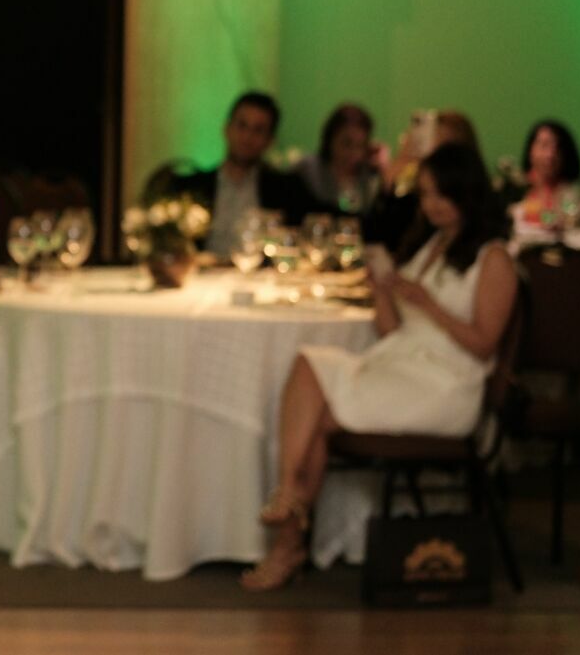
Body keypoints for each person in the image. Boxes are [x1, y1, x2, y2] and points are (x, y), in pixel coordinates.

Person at [242, 143, 518, 591]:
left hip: (449, 384)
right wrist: (382, 293)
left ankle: (287, 535)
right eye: (425, 195)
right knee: (311, 366)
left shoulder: (493, 258)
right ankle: (290, 512)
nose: (431, 206)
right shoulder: (430, 245)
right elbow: (394, 333)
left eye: (441, 195)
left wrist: (427, 303)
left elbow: (485, 345)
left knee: (321, 414)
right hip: (405, 363)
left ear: (466, 193)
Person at [165, 90, 310, 256]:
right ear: (227, 129)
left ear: (270, 141)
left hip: (261, 279)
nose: (247, 137)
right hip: (201, 278)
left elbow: (318, 223)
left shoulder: (286, 189)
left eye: (258, 130)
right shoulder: (190, 187)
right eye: (242, 125)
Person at [366, 108, 481, 251]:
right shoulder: (417, 191)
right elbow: (378, 235)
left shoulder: (453, 208)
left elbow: (382, 239)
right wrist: (396, 169)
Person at [294, 103, 382, 217]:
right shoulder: (307, 170)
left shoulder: (369, 177)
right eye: (347, 143)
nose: (354, 153)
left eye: (361, 145)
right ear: (330, 140)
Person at [509, 119, 580, 247]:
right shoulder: (513, 189)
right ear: (530, 150)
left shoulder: (573, 195)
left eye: (558, 148)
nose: (551, 155)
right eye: (544, 145)